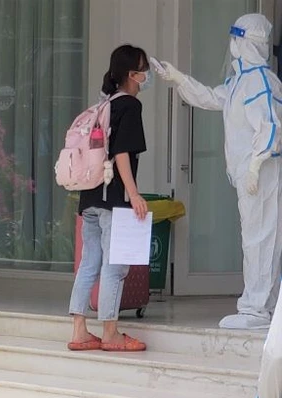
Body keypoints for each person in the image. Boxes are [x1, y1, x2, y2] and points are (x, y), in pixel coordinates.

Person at [155, 13, 282, 330]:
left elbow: (270, 126)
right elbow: (213, 98)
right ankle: (259, 306)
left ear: (244, 42)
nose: (231, 45)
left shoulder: (260, 81)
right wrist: (179, 78)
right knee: (257, 238)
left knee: (260, 239)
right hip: (251, 173)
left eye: (235, 39)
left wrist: (255, 165)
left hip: (261, 173)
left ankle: (257, 310)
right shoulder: (241, 81)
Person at [68, 45, 150, 353]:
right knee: (115, 266)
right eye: (143, 70)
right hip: (113, 198)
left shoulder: (103, 104)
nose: (146, 76)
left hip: (90, 196)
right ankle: (111, 333)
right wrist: (134, 194)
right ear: (132, 74)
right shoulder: (129, 106)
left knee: (89, 263)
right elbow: (121, 152)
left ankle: (79, 330)